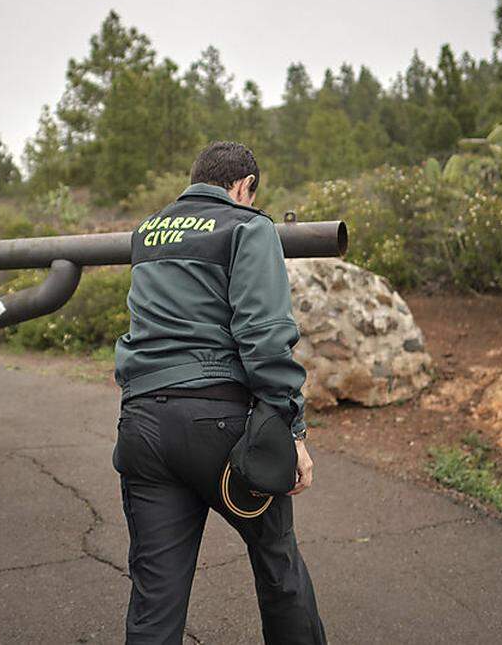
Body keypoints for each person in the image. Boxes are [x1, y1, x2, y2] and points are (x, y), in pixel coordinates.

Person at [113, 141, 326, 643]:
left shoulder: (148, 232)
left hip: (142, 425)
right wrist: (291, 431)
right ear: (244, 186)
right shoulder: (248, 227)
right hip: (219, 425)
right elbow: (265, 334)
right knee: (279, 569)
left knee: (153, 601)